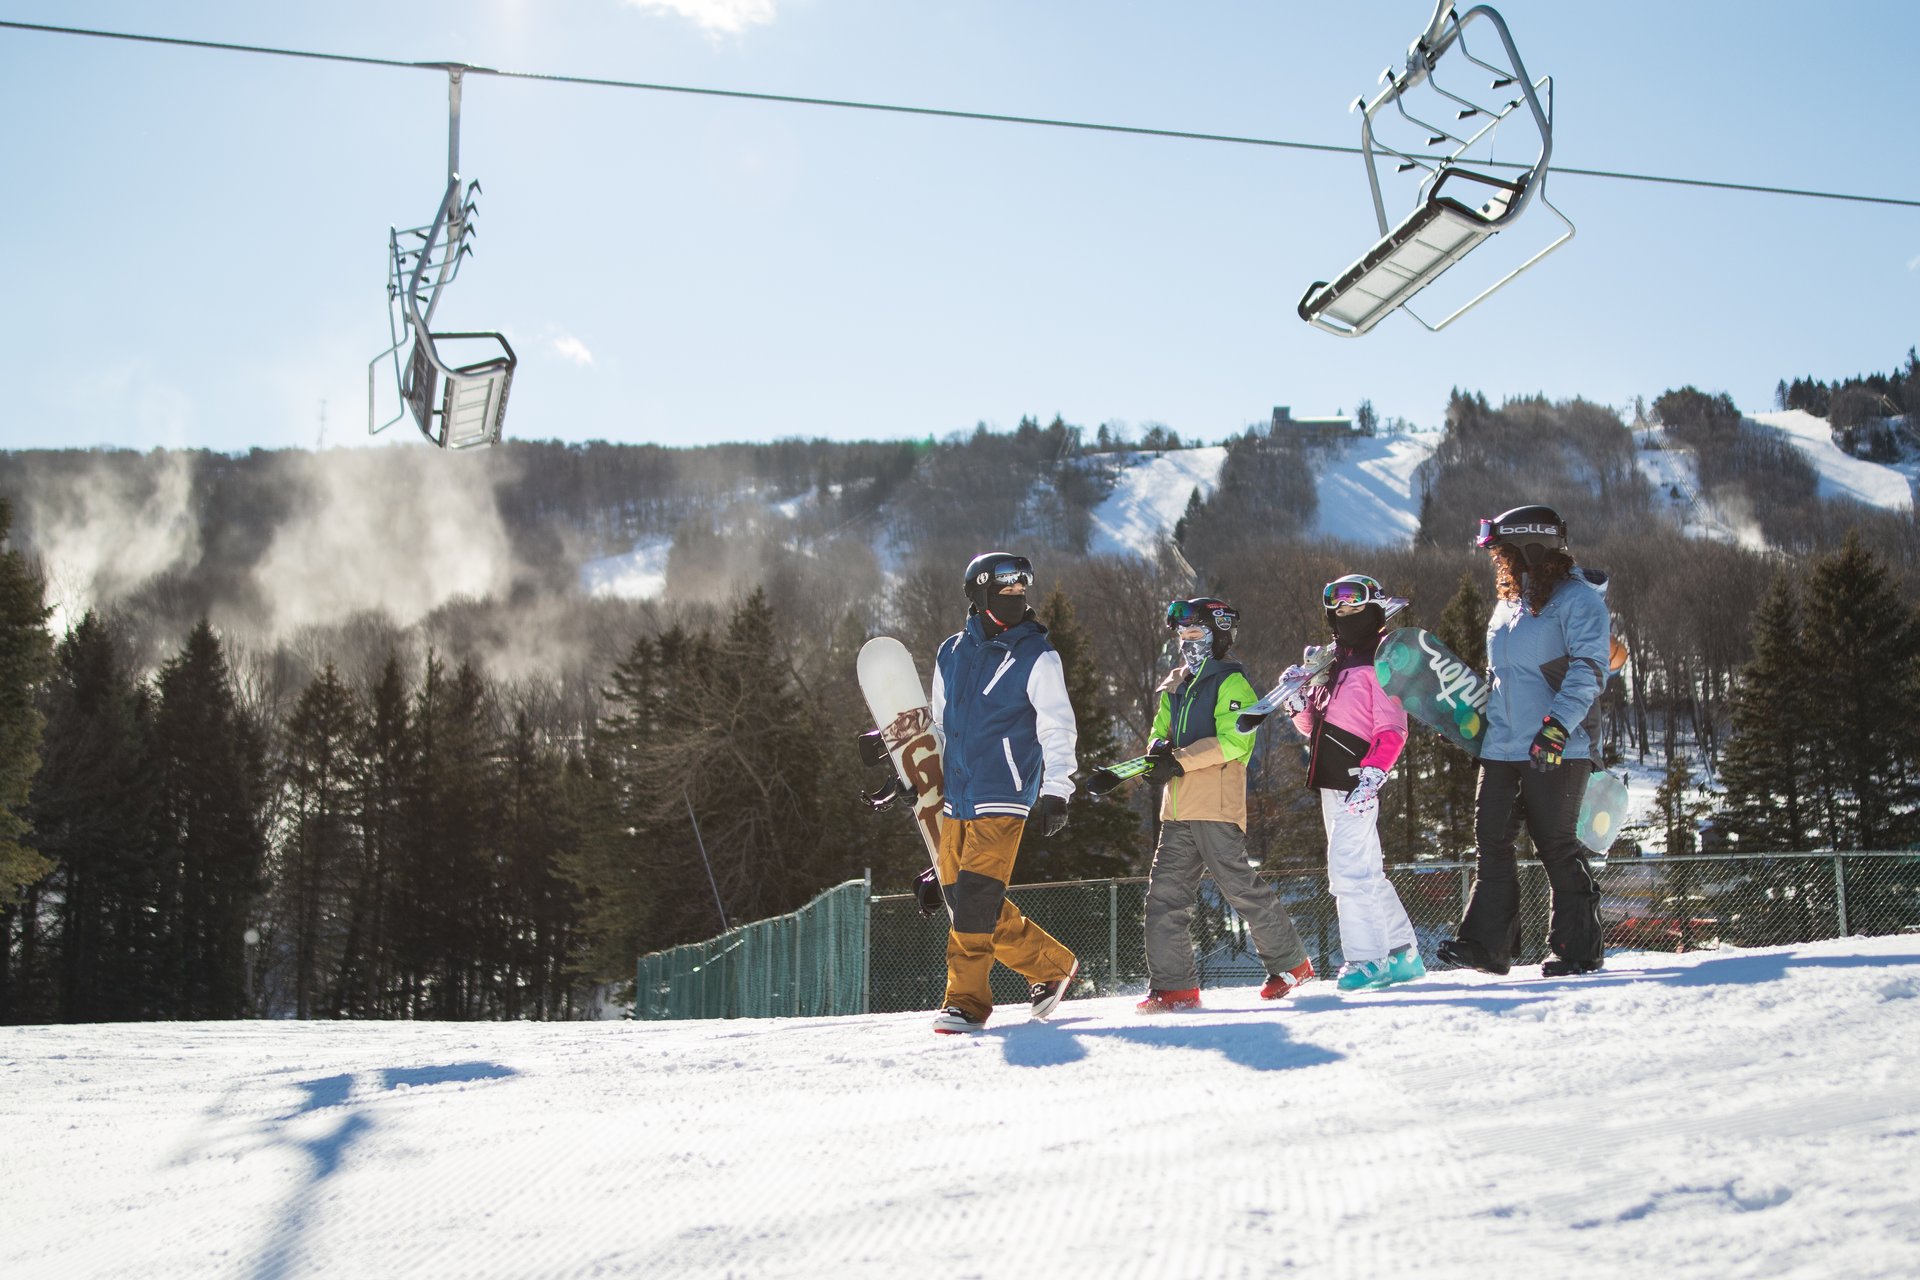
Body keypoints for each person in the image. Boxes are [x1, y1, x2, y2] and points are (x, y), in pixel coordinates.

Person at [1438, 505, 1612, 978]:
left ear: (1531, 548)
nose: (1500, 561)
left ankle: (1578, 948)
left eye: (1504, 551)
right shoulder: (1508, 604)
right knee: (1491, 839)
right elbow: (1501, 677)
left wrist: (1556, 728)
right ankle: (1487, 946)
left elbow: (1589, 669)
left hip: (1557, 743)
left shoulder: (1579, 602)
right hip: (1502, 747)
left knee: (1555, 844)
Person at [925, 551, 1081, 1033]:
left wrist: (1056, 790)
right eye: (1004, 591)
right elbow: (938, 725)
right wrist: (917, 775)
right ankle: (1050, 966)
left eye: (1020, 592)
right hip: (958, 794)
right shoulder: (951, 653)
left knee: (975, 899)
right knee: (967, 899)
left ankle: (966, 1002)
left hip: (1006, 792)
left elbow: (1058, 727)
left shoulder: (1038, 656)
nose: (1015, 599)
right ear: (978, 595)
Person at [1136, 597, 1314, 1012]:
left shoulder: (1231, 683)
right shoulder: (1175, 685)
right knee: (1163, 897)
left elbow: (1234, 742)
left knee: (1238, 886)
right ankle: (1173, 986)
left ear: (1218, 636)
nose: (1186, 642)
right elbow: (1157, 732)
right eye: (1181, 635)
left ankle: (1292, 963)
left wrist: (1176, 760)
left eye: (1195, 634)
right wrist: (1157, 751)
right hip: (1177, 809)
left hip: (1215, 805)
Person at [1282, 574, 1425, 990]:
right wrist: (1297, 698)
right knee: (1365, 869)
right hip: (1332, 780)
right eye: (1338, 609)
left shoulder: (1382, 663)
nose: (1345, 615)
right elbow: (1315, 728)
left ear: (1375, 609)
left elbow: (1393, 729)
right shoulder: (1338, 665)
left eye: (1355, 607)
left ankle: (1367, 961)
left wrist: (1372, 777)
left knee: (1348, 872)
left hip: (1355, 781)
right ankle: (1402, 954)